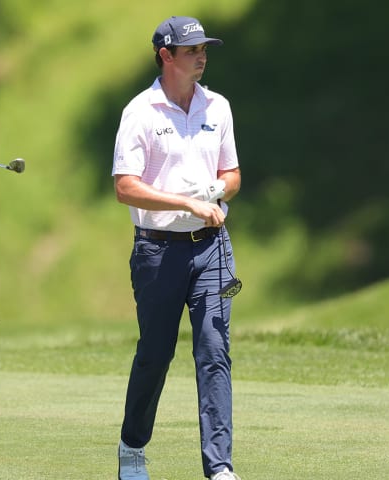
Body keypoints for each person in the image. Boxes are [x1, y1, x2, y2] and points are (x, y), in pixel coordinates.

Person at [111, 16, 243, 480]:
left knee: (214, 351)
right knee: (157, 352)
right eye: (191, 50)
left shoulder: (218, 107)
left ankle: (220, 466)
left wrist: (213, 194)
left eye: (204, 48)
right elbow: (126, 187)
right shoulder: (140, 112)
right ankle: (132, 450)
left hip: (211, 248)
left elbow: (233, 175)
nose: (201, 56)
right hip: (158, 251)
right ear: (166, 56)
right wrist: (185, 201)